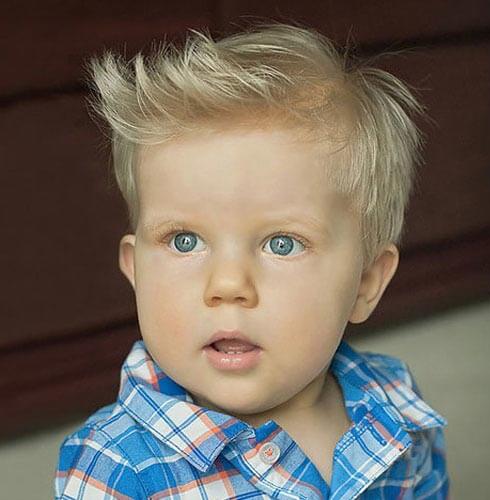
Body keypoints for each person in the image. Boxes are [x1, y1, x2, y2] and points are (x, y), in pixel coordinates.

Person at [54, 21, 449, 499]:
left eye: (281, 243)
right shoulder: (115, 467)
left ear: (366, 282)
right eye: (184, 241)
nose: (227, 284)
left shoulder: (394, 406)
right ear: (136, 270)